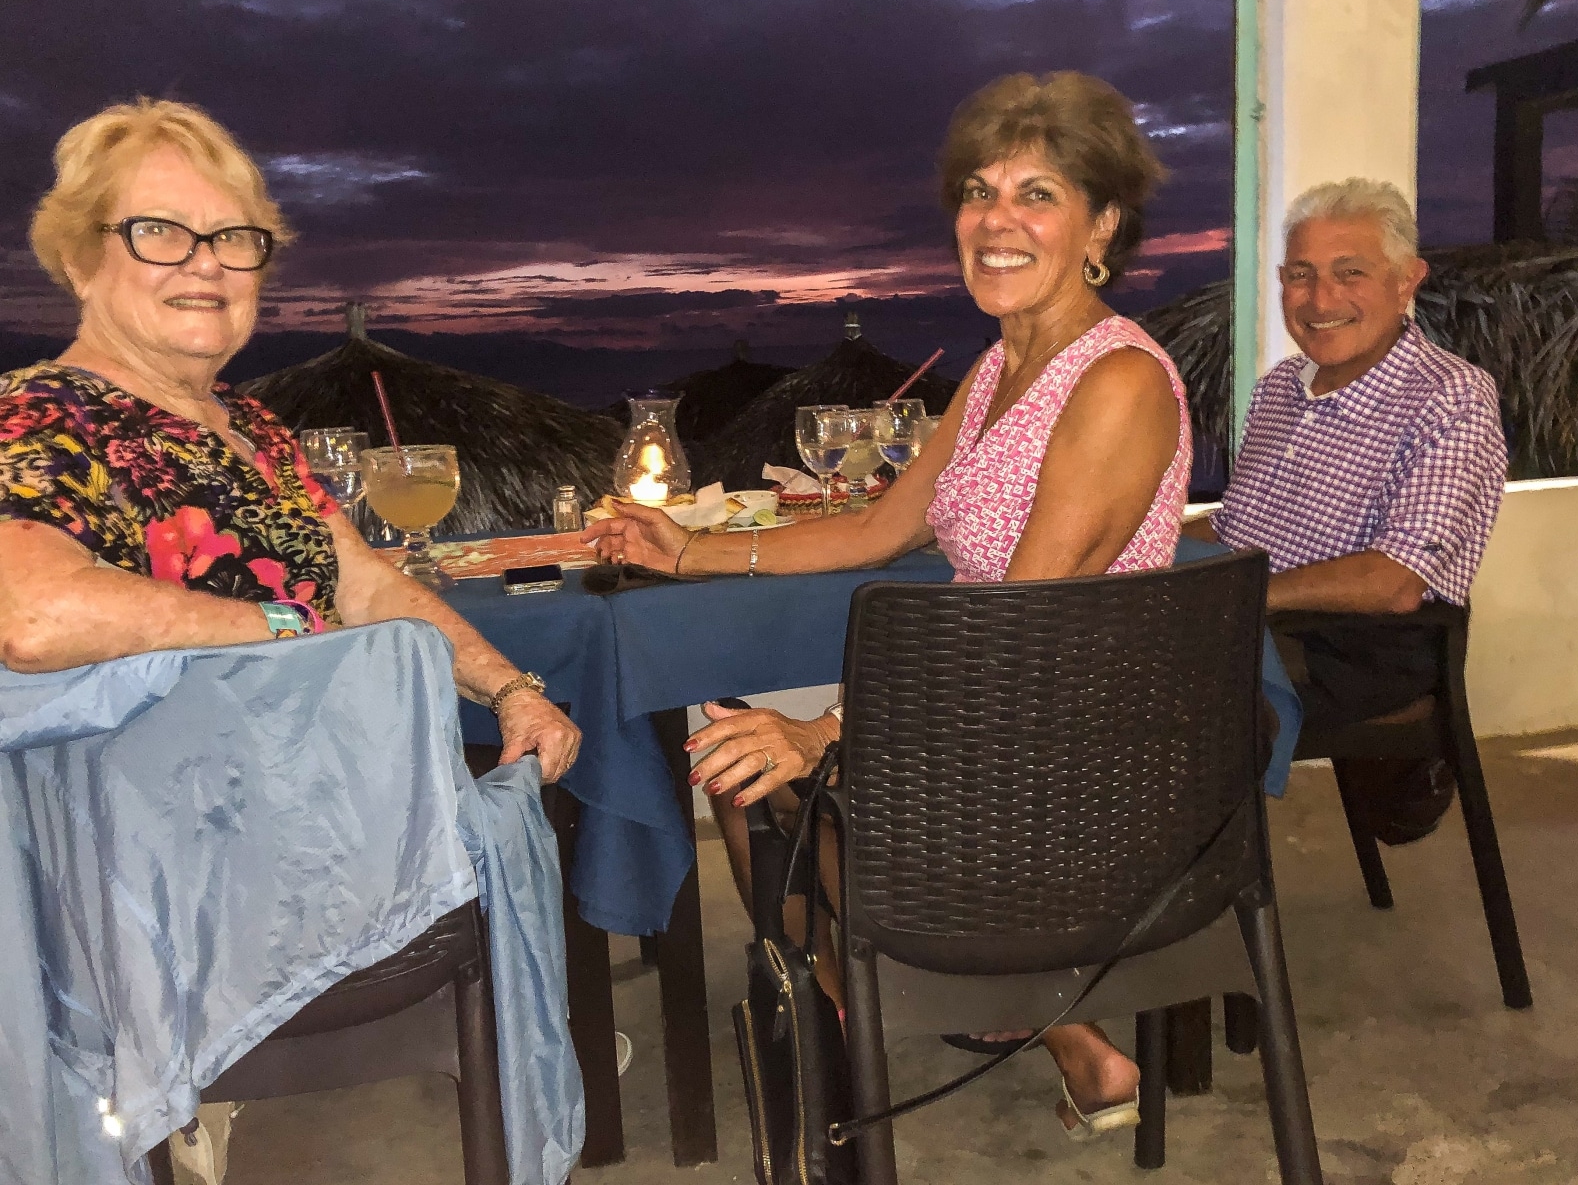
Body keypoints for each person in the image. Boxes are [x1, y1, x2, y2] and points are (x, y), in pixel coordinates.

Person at [588, 71, 1190, 1139]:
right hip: (997, 706)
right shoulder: (1001, 368)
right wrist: (688, 553)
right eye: (978, 191)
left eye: (1037, 195)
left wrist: (826, 733)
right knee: (729, 733)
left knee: (751, 755)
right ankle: (934, 996)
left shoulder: (1119, 382)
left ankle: (877, 1000)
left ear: (1102, 224)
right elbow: (880, 528)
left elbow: (1017, 625)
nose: (996, 221)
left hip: (1062, 746)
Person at [0, 98, 580, 783]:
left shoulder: (251, 424)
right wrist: (285, 627)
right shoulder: (38, 414)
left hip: (318, 800)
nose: (206, 264)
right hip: (181, 822)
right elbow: (33, 617)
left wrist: (509, 690)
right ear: (81, 263)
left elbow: (363, 585)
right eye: (158, 230)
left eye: (232, 237)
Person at [1185, 178, 1507, 844]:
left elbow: (1394, 583)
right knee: (1090, 636)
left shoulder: (1450, 397)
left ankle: (1192, 872)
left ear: (1406, 280)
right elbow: (1232, 528)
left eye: (1350, 272)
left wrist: (1235, 595)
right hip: (1266, 618)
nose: (1321, 298)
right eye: (1301, 275)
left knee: (1161, 686)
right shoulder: (1280, 389)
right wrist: (1122, 547)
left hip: (1372, 645)